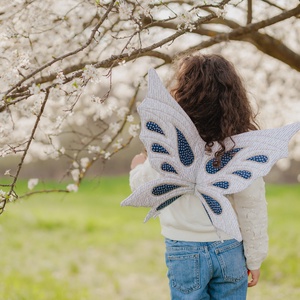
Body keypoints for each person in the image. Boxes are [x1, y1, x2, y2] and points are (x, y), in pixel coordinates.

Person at [128, 54, 268, 299]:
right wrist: (254, 258)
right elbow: (252, 205)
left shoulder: (171, 144)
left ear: (183, 94)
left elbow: (146, 189)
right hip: (230, 248)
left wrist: (137, 165)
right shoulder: (238, 147)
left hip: (183, 250)